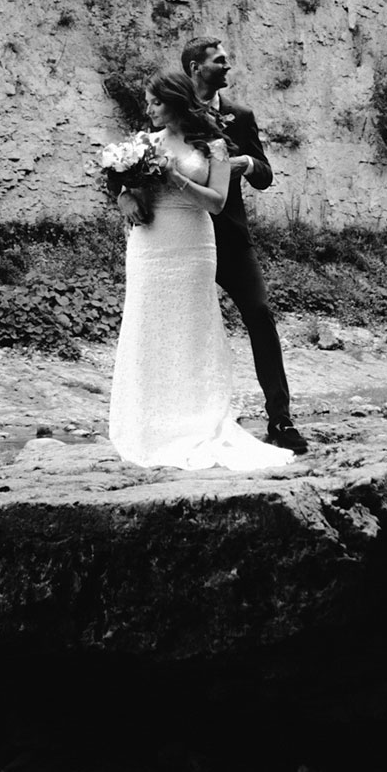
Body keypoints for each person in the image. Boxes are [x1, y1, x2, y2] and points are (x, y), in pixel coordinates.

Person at [108, 69, 295, 472]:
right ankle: (147, 423)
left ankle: (196, 420)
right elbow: (123, 185)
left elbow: (216, 202)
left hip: (193, 243)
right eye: (148, 102)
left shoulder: (215, 146)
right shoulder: (144, 144)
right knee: (148, 326)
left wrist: (177, 180)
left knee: (192, 328)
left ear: (175, 101)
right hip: (150, 245)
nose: (149, 109)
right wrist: (124, 196)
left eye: (155, 102)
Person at [182, 36, 308, 454]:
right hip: (183, 237)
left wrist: (247, 163)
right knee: (188, 328)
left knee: (260, 314)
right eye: (220, 61)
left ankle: (280, 416)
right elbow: (142, 159)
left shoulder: (241, 115)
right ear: (195, 68)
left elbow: (265, 175)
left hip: (231, 237)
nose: (228, 66)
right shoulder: (172, 109)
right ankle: (190, 418)